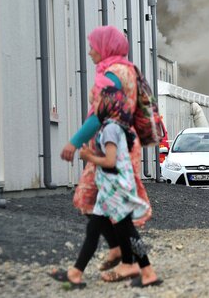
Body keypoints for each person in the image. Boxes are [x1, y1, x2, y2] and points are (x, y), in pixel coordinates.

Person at [54, 25, 157, 288]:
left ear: (105, 47)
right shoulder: (128, 70)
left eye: (93, 46)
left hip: (111, 151)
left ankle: (131, 262)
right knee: (105, 212)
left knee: (95, 203)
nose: (89, 52)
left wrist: (76, 144)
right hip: (121, 147)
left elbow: (101, 113)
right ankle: (120, 260)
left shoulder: (111, 78)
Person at [79, 114, 161, 288]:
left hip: (114, 188)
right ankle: (75, 273)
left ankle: (146, 271)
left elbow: (110, 161)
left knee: (127, 231)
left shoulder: (110, 129)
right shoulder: (114, 128)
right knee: (95, 227)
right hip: (109, 188)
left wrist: (89, 156)